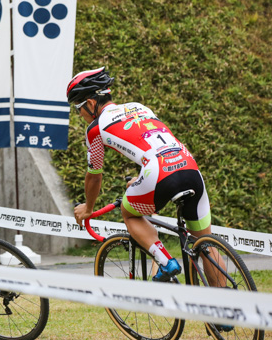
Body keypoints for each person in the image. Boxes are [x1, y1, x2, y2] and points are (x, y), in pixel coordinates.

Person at [69, 67, 212, 282]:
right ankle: (227, 307)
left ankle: (166, 262)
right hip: (189, 166)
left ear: (90, 104)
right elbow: (149, 145)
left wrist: (88, 208)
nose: (79, 114)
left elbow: (94, 175)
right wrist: (141, 179)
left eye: (78, 108)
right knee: (206, 244)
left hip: (158, 173)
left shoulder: (95, 129)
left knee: (129, 213)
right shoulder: (139, 107)